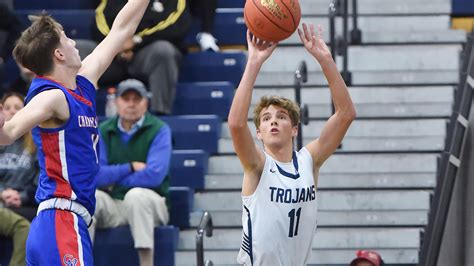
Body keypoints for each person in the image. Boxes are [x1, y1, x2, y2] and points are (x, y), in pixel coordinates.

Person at [0, 0, 150, 264]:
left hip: (64, 222)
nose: (73, 42)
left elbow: (121, 29)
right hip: (60, 218)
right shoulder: (52, 97)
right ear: (58, 54)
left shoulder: (83, 82)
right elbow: (9, 131)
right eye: (66, 38)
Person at [229, 23, 356, 265]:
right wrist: (254, 63)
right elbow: (236, 124)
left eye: (281, 117)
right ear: (259, 133)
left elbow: (346, 114)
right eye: (266, 119)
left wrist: (326, 60)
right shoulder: (257, 165)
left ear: (294, 130)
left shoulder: (309, 160)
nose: (273, 121)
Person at [89, 78, 171, 266]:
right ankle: (81, 260)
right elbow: (96, 176)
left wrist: (114, 181)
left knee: (136, 196)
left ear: (146, 103)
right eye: (126, 99)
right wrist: (130, 167)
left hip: (152, 204)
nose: (131, 104)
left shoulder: (159, 129)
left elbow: (154, 176)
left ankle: (146, 263)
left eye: (137, 99)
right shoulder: (103, 130)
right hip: (115, 204)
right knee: (90, 197)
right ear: (116, 102)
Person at [91, 0, 193, 115]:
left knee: (164, 51)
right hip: (112, 55)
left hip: (146, 53)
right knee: (79, 50)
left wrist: (137, 41)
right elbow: (99, 19)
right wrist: (117, 44)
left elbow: (177, 24)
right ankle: (76, 113)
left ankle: (160, 115)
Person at [0, 92, 38, 221]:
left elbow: (40, 181)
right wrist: (2, 193)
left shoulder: (37, 144)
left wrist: (22, 196)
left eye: (17, 108)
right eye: (7, 108)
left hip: (26, 204)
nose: (12, 111)